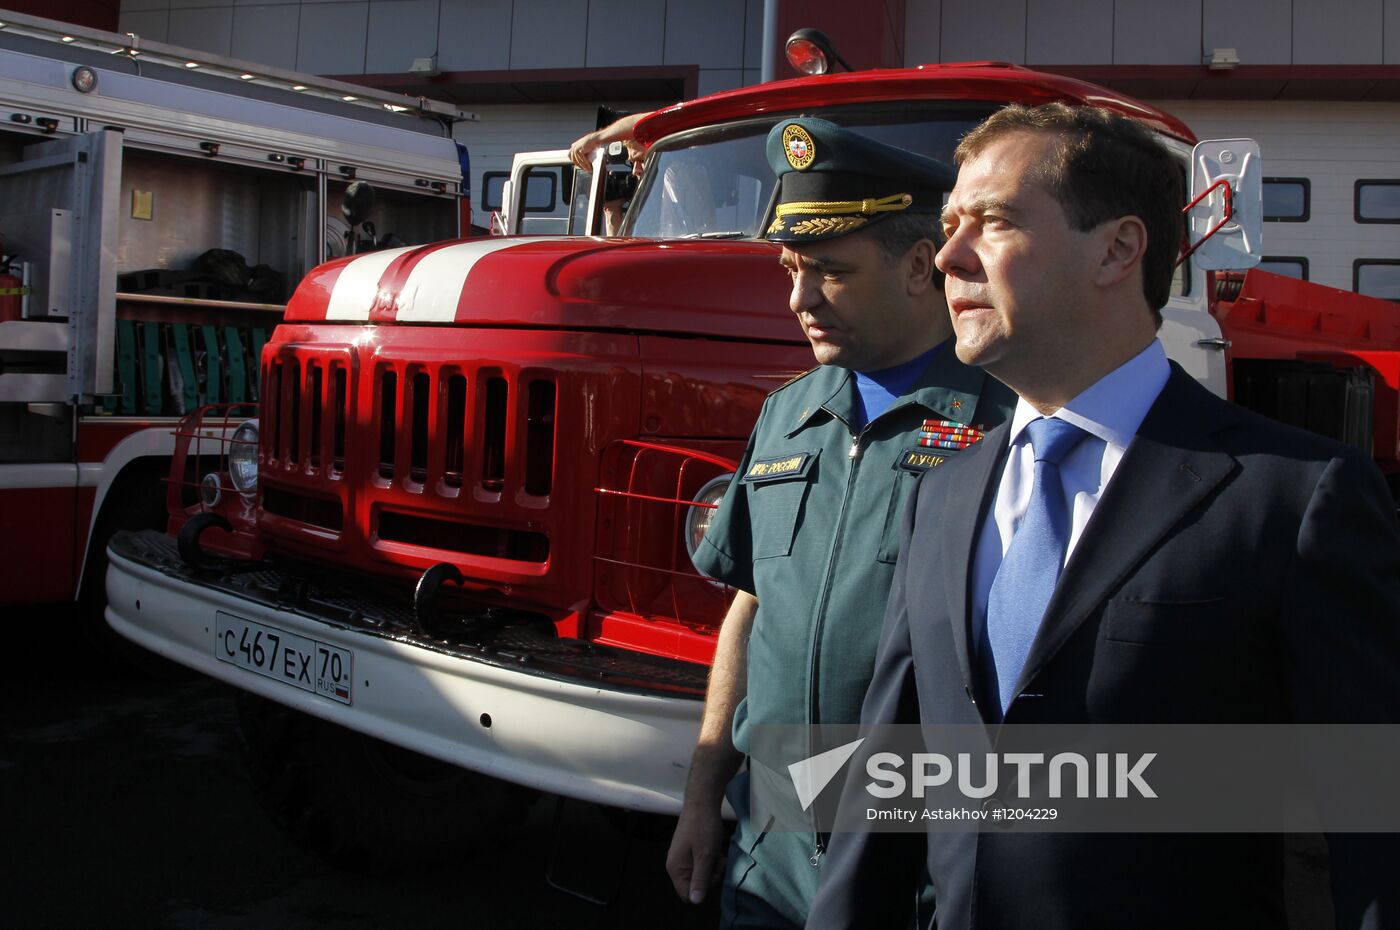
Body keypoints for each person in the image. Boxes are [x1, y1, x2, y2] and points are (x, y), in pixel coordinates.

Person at [807, 103, 1400, 929]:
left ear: (1119, 249)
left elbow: (1374, 826)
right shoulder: (940, 497)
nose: (946, 256)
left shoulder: (1293, 495)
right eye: (949, 226)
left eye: (994, 222)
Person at [666, 117, 1015, 929]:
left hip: (916, 862)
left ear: (921, 267)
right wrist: (701, 795)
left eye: (831, 270)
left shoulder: (1006, 423)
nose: (799, 299)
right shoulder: (788, 415)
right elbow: (750, 610)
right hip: (771, 849)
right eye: (791, 268)